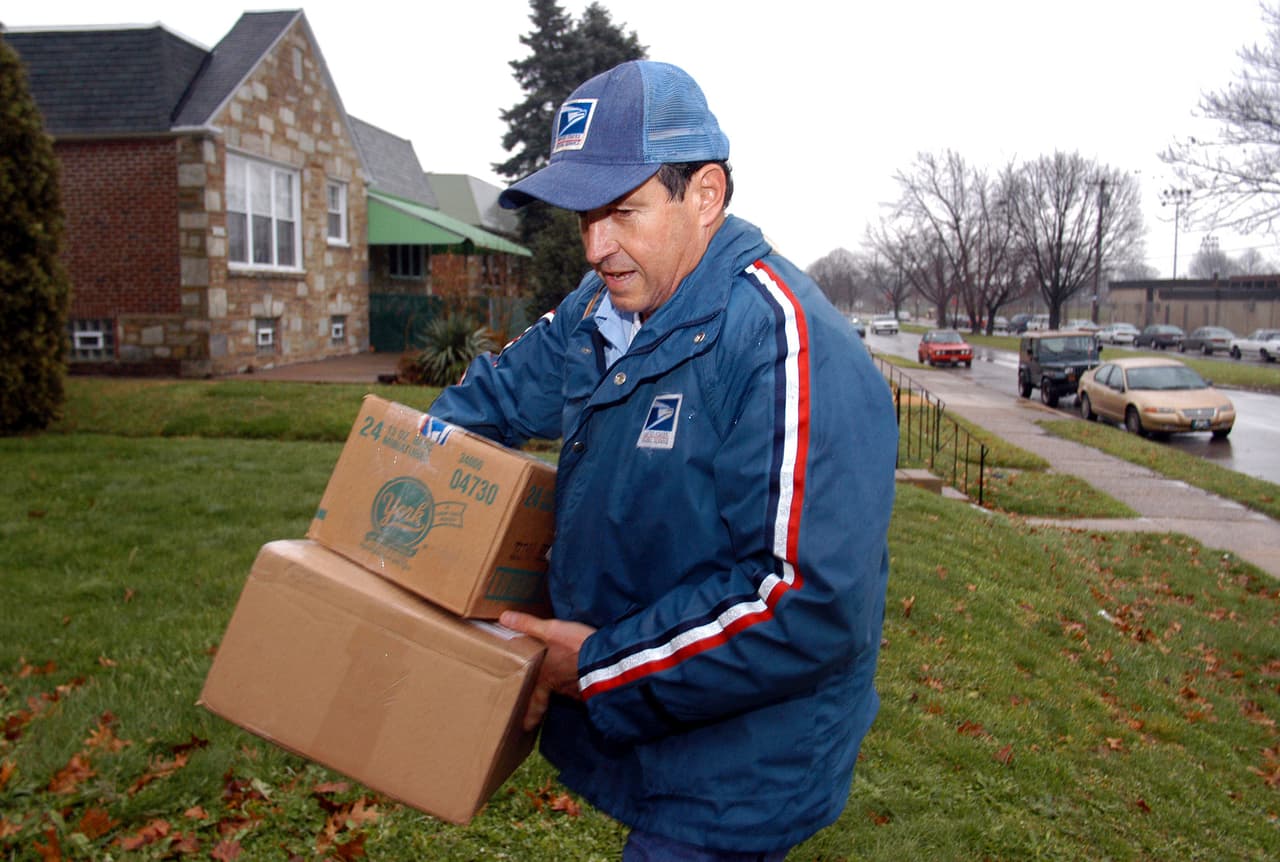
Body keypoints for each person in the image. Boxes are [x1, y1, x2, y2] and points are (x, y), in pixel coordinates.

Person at [428, 59, 898, 861]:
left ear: (706, 195)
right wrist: (415, 508)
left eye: (622, 212)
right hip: (654, 728)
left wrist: (598, 668)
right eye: (583, 217)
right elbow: (485, 407)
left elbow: (806, 600)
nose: (596, 246)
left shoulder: (781, 343)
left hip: (748, 762)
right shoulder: (599, 308)